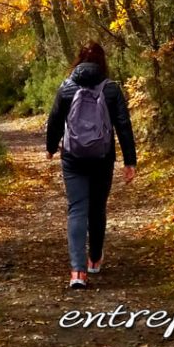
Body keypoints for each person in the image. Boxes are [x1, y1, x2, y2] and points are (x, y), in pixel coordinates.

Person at [46, 41, 137, 289]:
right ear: (102, 61)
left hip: (73, 158)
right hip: (102, 157)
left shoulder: (66, 87)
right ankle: (94, 259)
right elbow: (123, 126)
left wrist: (51, 147)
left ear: (78, 60)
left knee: (77, 209)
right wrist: (130, 161)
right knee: (97, 208)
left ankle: (77, 272)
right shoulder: (111, 90)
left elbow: (54, 120)